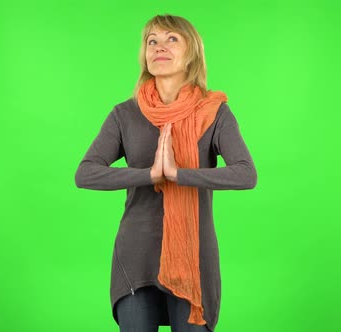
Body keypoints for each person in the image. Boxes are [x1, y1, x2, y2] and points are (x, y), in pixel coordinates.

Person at [75, 14, 257, 332]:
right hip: (136, 256)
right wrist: (149, 175)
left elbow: (245, 174)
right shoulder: (125, 114)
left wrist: (179, 174)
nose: (160, 47)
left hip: (192, 261)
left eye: (172, 39)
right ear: (145, 55)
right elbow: (86, 173)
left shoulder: (214, 113)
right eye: (152, 41)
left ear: (192, 53)